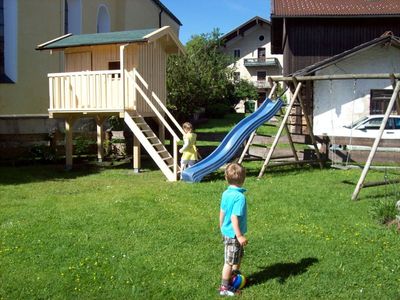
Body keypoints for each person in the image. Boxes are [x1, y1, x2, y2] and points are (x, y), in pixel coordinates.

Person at [219, 163, 248, 296]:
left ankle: (234, 275)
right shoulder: (240, 197)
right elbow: (234, 217)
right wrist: (239, 235)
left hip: (227, 232)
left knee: (237, 256)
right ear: (244, 179)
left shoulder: (226, 193)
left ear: (226, 178)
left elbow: (222, 212)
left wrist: (221, 226)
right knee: (229, 262)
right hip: (234, 234)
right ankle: (225, 288)